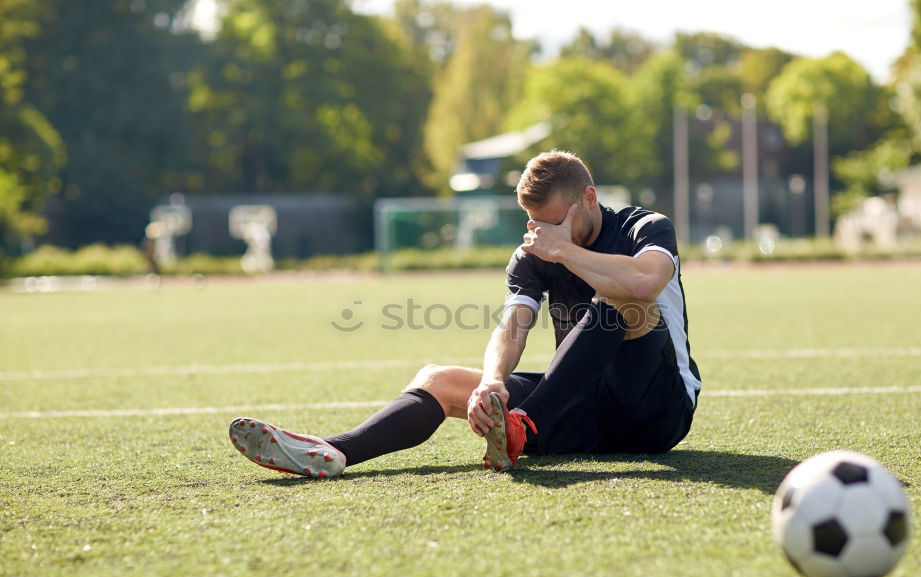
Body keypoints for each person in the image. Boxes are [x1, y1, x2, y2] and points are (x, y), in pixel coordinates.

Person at [228, 151, 701, 477]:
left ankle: (522, 424)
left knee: (622, 299)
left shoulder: (644, 226)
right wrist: (493, 381)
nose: (541, 234)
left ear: (590, 199)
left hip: (656, 411)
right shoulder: (534, 251)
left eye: (554, 222)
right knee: (439, 377)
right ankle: (333, 451)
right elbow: (513, 325)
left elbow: (644, 281)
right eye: (533, 223)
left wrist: (564, 251)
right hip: (580, 409)